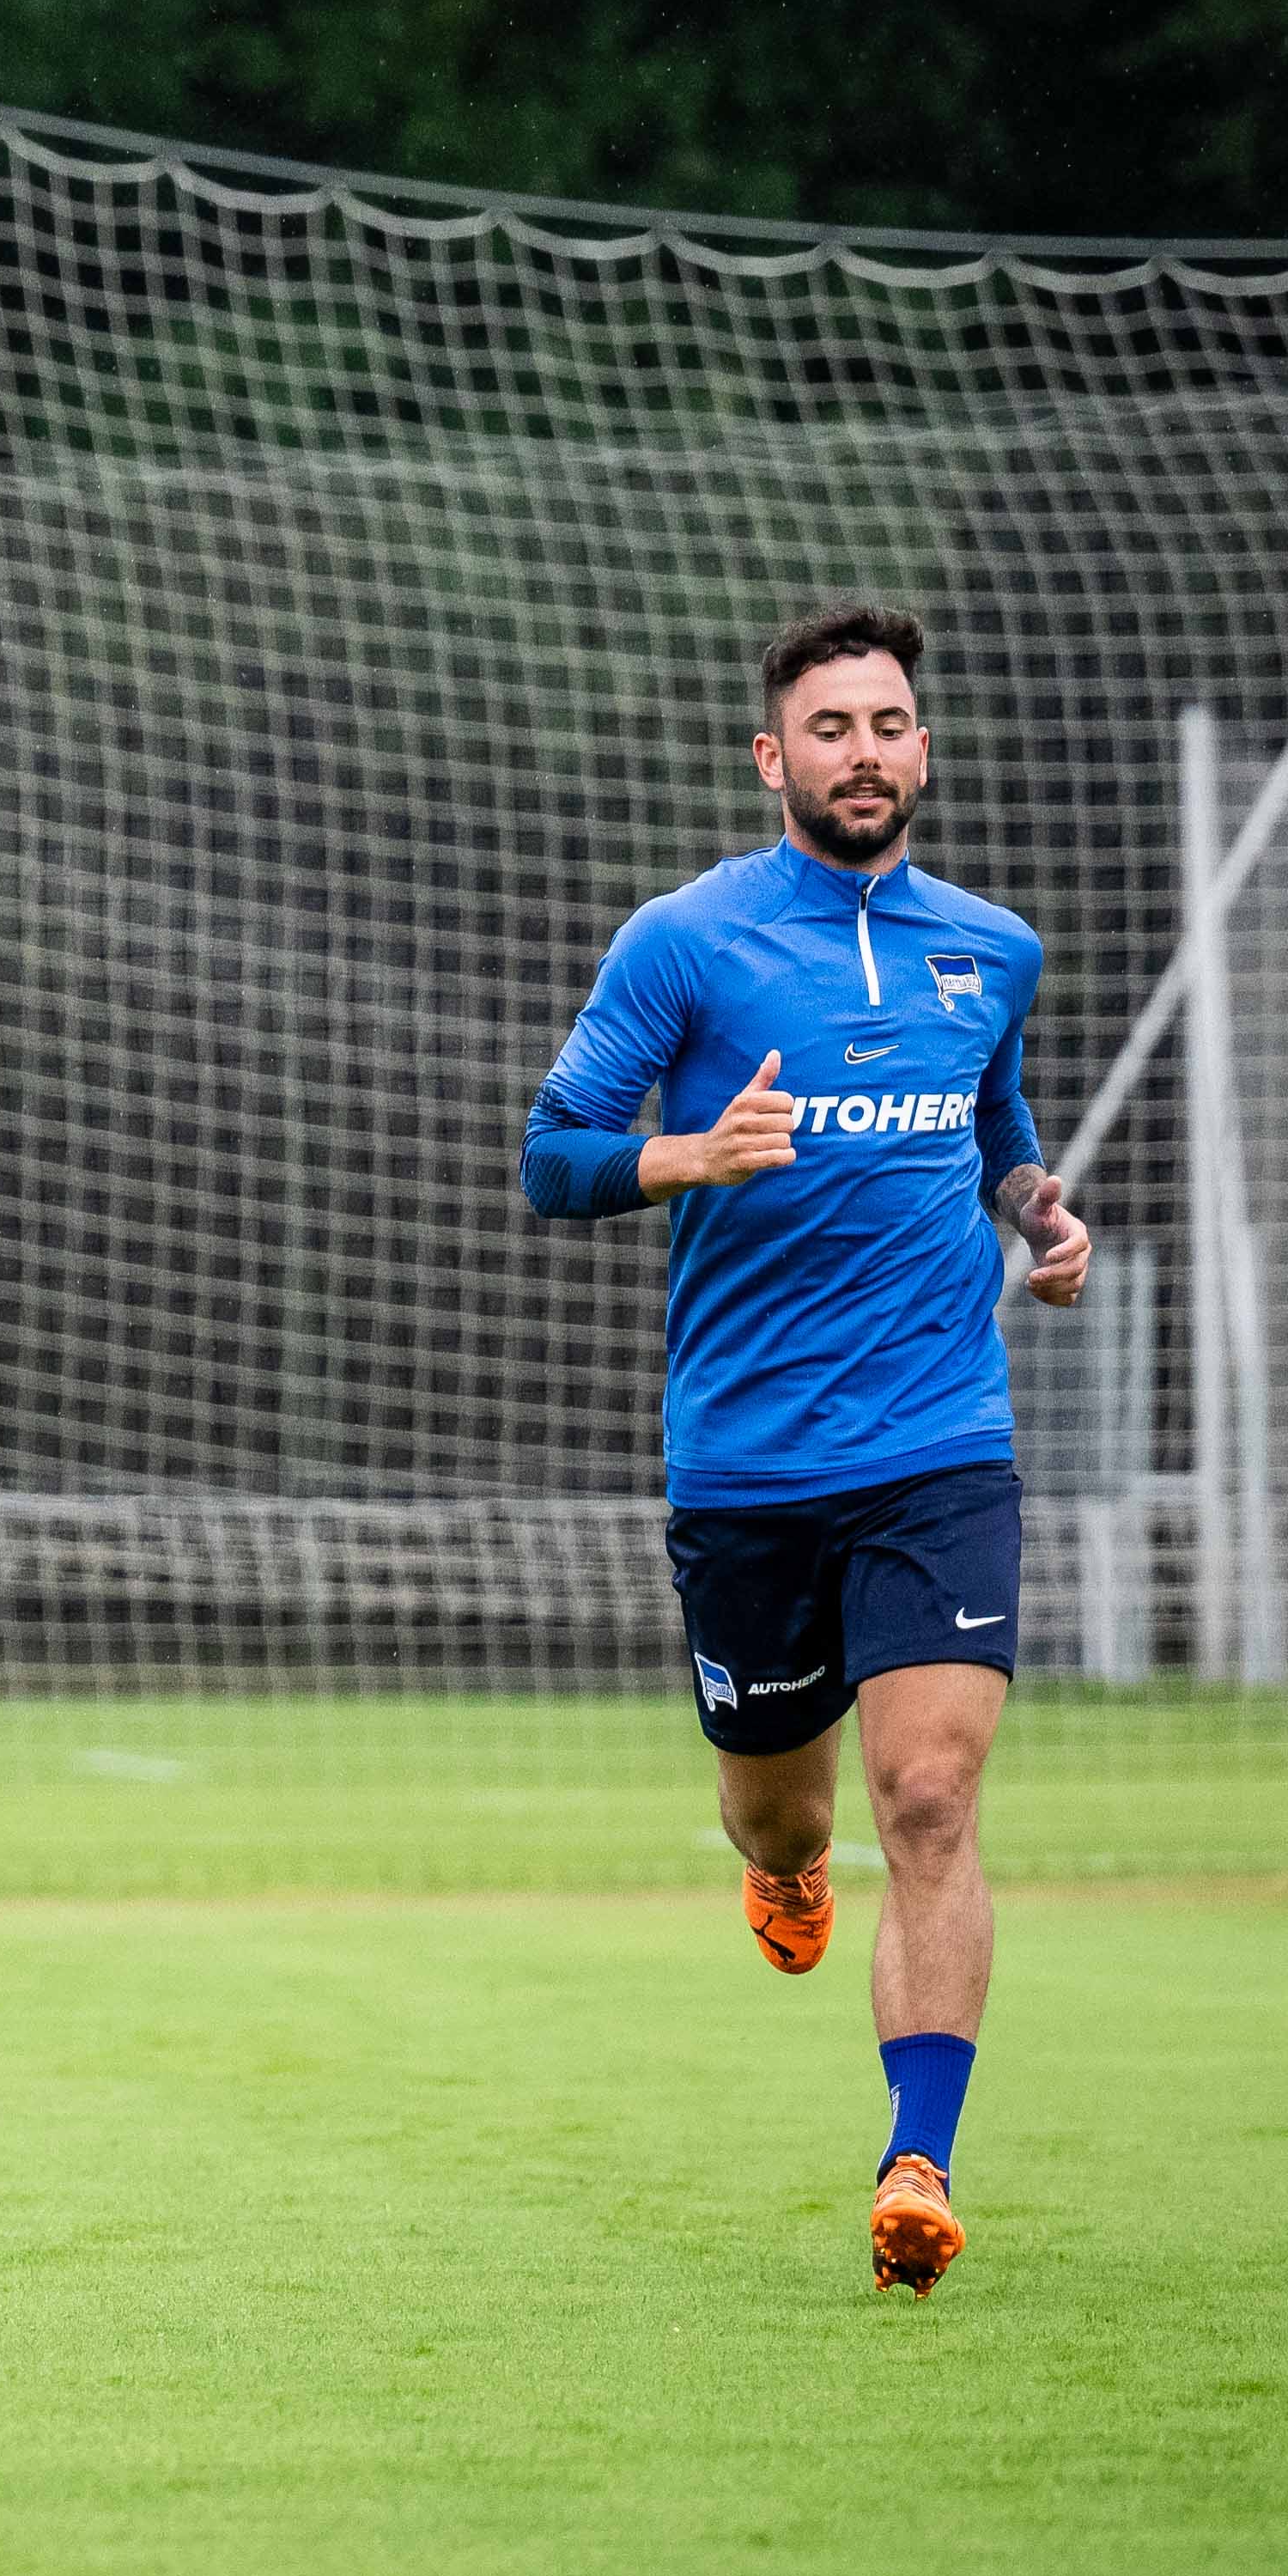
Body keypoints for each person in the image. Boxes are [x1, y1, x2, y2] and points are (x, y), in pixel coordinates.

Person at [520, 599, 1088, 2296]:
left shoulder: (992, 947)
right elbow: (555, 1155)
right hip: (748, 1464)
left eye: (890, 722)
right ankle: (778, 1869)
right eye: (831, 728)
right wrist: (686, 1157)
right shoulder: (685, 944)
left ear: (925, 746)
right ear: (776, 759)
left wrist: (1040, 1218)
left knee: (931, 1791)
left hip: (938, 1441)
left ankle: (918, 2157)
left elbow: (997, 1128)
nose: (866, 752)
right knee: (787, 1818)